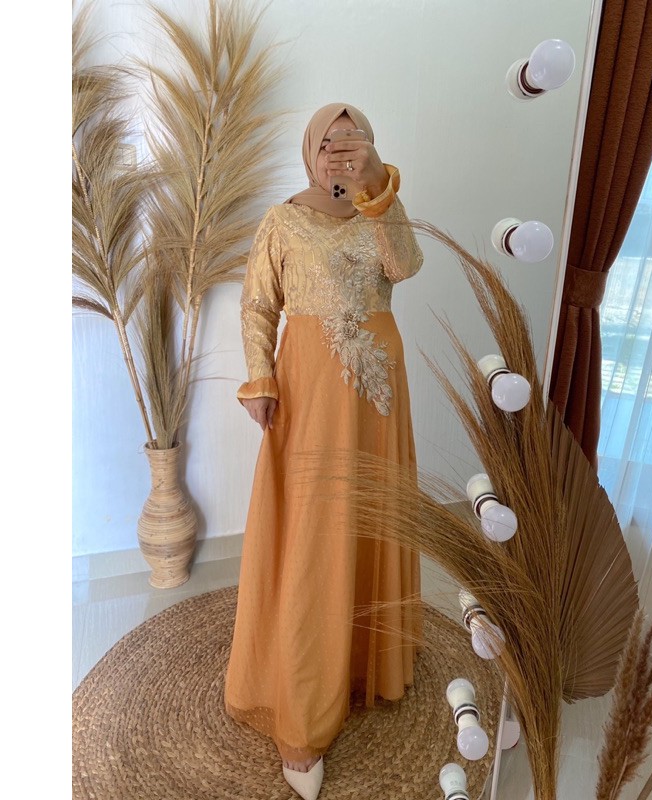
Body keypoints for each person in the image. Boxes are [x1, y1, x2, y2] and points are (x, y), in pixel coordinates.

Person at [223, 102, 424, 800]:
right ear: (309, 150)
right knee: (314, 532)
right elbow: (258, 304)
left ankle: (368, 661)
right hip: (309, 390)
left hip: (376, 394)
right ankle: (304, 710)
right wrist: (260, 377)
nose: (340, 149)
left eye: (353, 138)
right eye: (329, 141)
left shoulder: (382, 208)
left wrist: (378, 189)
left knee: (372, 518)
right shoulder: (282, 220)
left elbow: (406, 265)